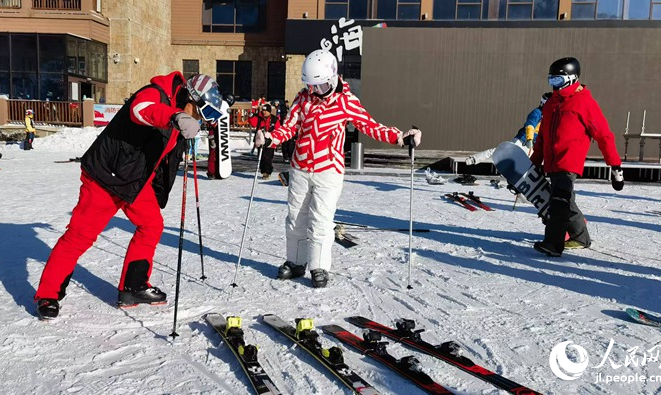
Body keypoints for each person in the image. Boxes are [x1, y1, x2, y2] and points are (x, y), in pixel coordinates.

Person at [33, 72, 225, 320]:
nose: (197, 118)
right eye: (198, 113)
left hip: (134, 179)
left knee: (152, 225)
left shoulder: (182, 108)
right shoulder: (156, 94)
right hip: (105, 176)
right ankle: (48, 294)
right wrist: (175, 117)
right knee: (80, 235)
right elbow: (140, 110)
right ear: (190, 98)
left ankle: (133, 287)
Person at [255, 49, 422, 288]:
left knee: (320, 220)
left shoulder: (346, 101)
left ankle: (319, 266)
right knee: (295, 218)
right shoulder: (303, 99)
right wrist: (270, 138)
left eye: (321, 87)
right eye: (312, 86)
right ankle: (295, 262)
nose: (316, 92)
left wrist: (400, 137)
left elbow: (370, 125)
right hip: (300, 168)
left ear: (332, 78)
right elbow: (289, 127)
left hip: (328, 170)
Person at [530, 57, 623, 257]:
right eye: (551, 81)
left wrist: (615, 166)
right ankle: (581, 237)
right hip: (552, 163)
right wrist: (534, 162)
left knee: (559, 203)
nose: (554, 86)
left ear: (572, 78)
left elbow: (604, 135)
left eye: (558, 81)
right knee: (566, 200)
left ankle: (553, 244)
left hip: (569, 161)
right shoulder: (550, 105)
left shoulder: (585, 103)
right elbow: (542, 137)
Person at [466, 92, 552, 165]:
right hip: (523, 141)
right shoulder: (537, 113)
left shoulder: (548, 117)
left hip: (533, 145)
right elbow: (530, 125)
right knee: (501, 152)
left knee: (526, 164)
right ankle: (474, 159)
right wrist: (529, 139)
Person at [250, 103, 281, 179]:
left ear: (269, 111)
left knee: (268, 157)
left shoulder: (274, 119)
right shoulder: (259, 118)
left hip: (270, 142)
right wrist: (251, 116)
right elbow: (253, 123)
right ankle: (263, 171)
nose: (264, 112)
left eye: (266, 111)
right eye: (263, 110)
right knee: (261, 157)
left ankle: (267, 172)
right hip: (261, 140)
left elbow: (278, 129)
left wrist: (272, 136)